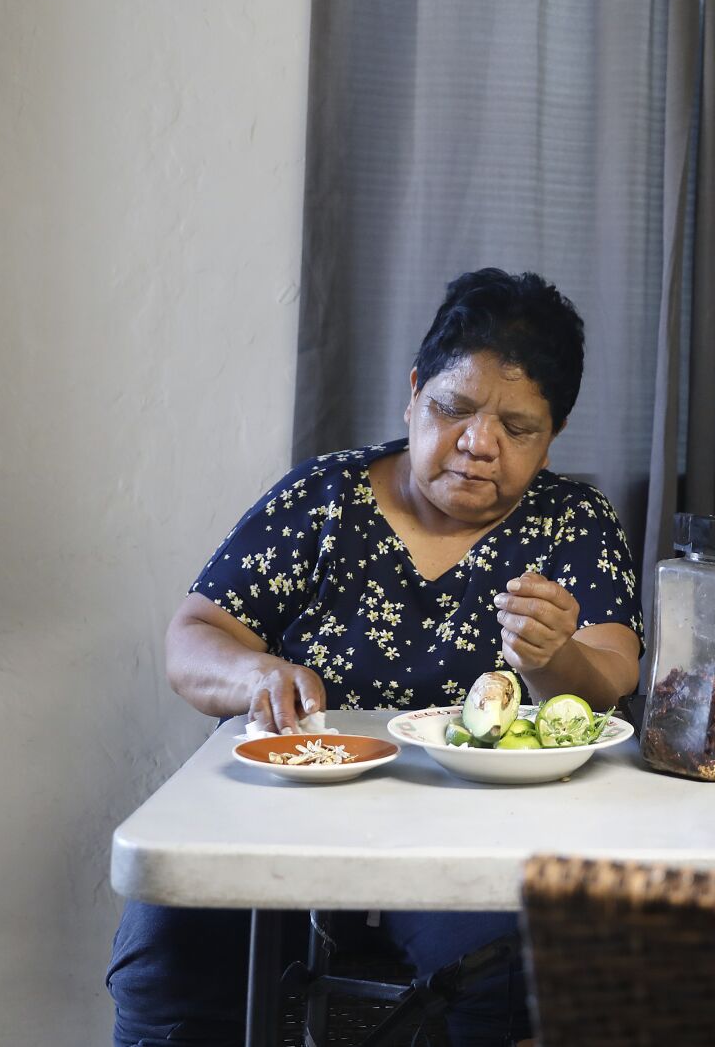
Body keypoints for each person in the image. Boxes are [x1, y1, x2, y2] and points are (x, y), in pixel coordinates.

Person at [108, 269, 643, 1046]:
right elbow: (194, 636)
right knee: (168, 961)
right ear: (414, 392)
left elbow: (613, 668)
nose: (479, 445)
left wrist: (555, 658)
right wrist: (255, 673)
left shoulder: (573, 522)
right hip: (288, 815)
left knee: (510, 978)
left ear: (551, 434)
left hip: (476, 829)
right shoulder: (324, 498)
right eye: (454, 409)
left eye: (518, 427)